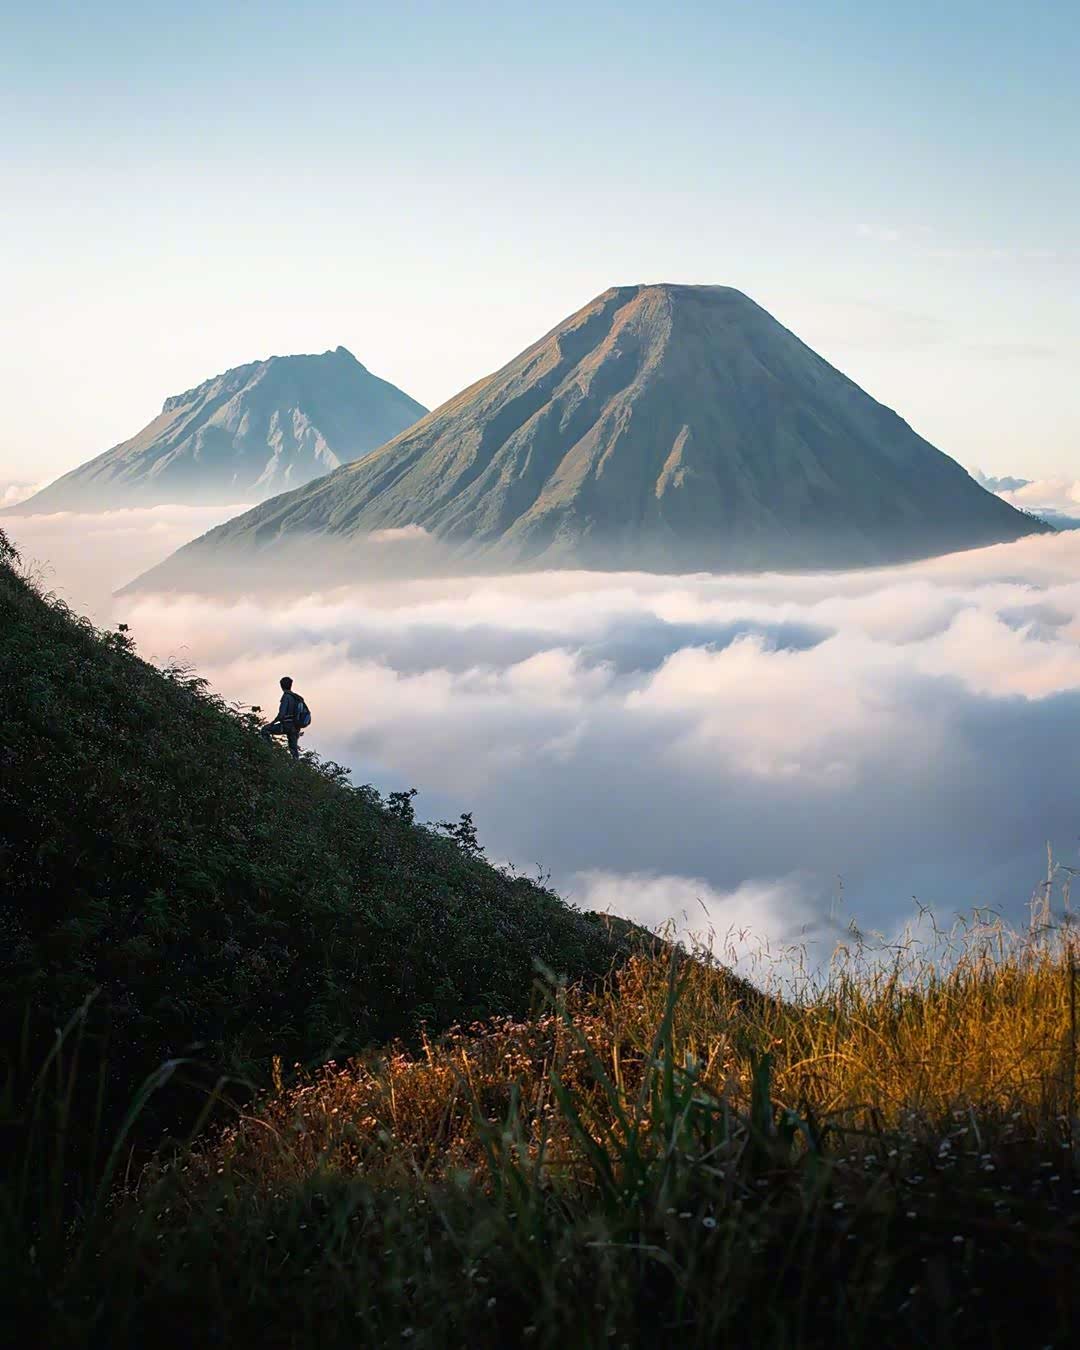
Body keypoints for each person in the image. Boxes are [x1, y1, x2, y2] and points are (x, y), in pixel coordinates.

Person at [261, 676, 304, 760]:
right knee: (293, 749)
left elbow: (281, 714)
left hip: (286, 725)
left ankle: (270, 753)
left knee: (264, 730)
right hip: (296, 726)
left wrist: (272, 723)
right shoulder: (296, 698)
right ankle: (296, 767)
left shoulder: (286, 697)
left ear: (281, 686)